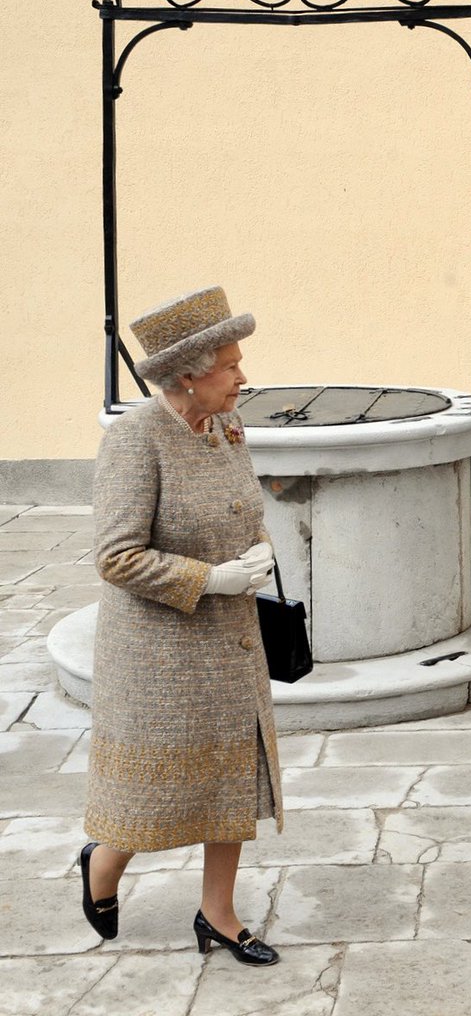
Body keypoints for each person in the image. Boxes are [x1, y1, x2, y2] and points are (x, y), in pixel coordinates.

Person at [80, 285, 284, 965]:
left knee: (232, 779)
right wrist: (208, 578)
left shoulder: (224, 425)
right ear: (188, 375)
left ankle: (218, 915)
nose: (242, 376)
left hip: (230, 639)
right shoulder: (136, 440)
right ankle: (104, 866)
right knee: (153, 791)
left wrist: (260, 548)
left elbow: (240, 508)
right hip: (158, 654)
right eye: (230, 365)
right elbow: (116, 555)